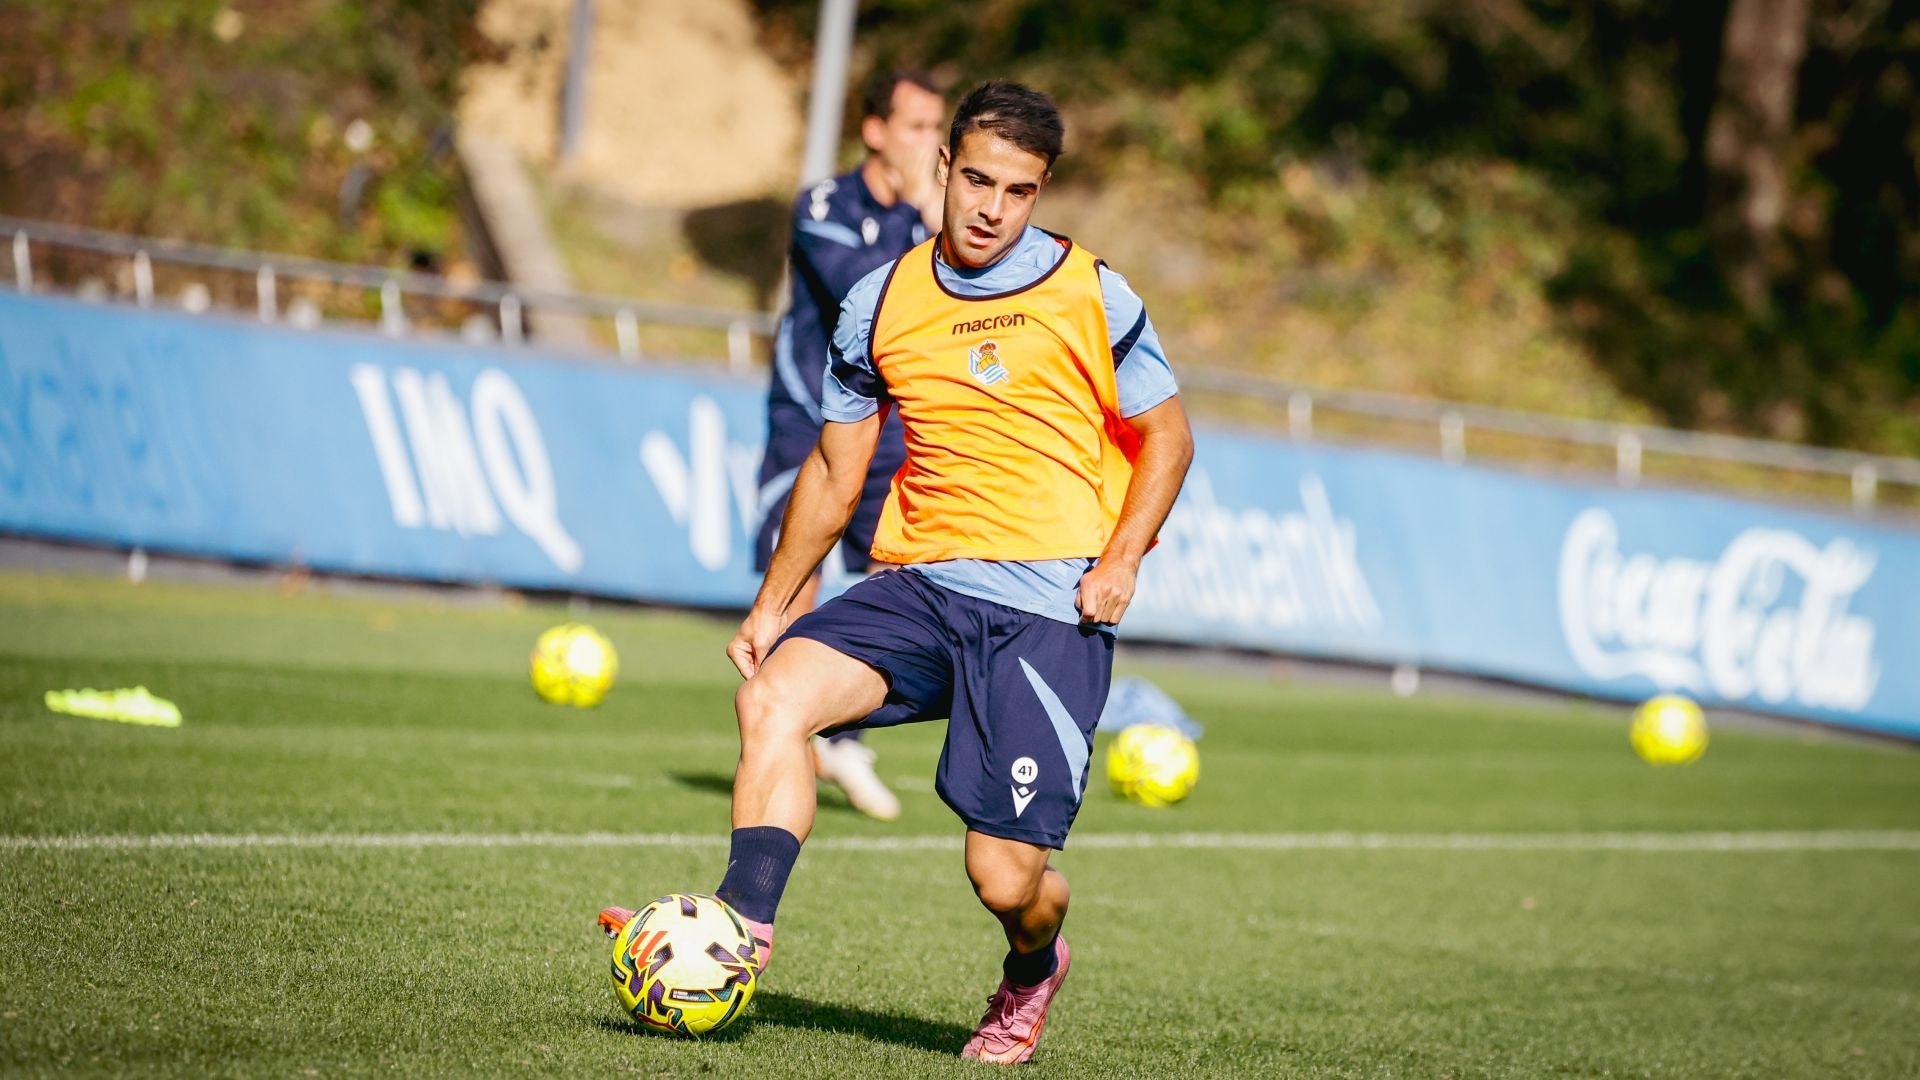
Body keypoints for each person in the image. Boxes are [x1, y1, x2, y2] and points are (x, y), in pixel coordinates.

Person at [606, 79, 1192, 1064]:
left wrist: (1122, 559)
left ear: (1040, 192)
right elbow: (836, 469)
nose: (991, 208)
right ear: (943, 167)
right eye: (976, 180)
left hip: (1049, 608)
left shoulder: (1094, 291)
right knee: (774, 698)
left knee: (1006, 881)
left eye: (1018, 190)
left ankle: (1032, 972)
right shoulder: (881, 301)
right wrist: (776, 600)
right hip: (919, 583)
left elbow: (1167, 439)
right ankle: (740, 933)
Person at [756, 69, 947, 822]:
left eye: (937, 131)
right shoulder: (826, 205)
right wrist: (933, 219)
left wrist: (935, 214)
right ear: (874, 130)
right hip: (811, 418)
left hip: (895, 430)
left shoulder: (935, 220)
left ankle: (843, 732)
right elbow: (871, 302)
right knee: (795, 580)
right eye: (914, 127)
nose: (926, 144)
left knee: (898, 579)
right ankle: (777, 738)